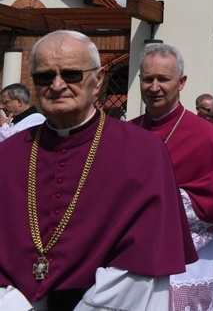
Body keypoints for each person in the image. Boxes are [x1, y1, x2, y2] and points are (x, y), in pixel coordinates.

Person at [0, 30, 196, 309]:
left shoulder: (144, 151)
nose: (57, 86)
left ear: (98, 79)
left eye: (71, 74)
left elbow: (145, 252)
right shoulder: (7, 155)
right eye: (45, 76)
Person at [131, 43, 213, 310]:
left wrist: (159, 206)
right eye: (148, 79)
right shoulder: (125, 131)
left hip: (187, 260)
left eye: (163, 78)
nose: (154, 86)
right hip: (130, 255)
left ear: (181, 82)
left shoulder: (208, 137)